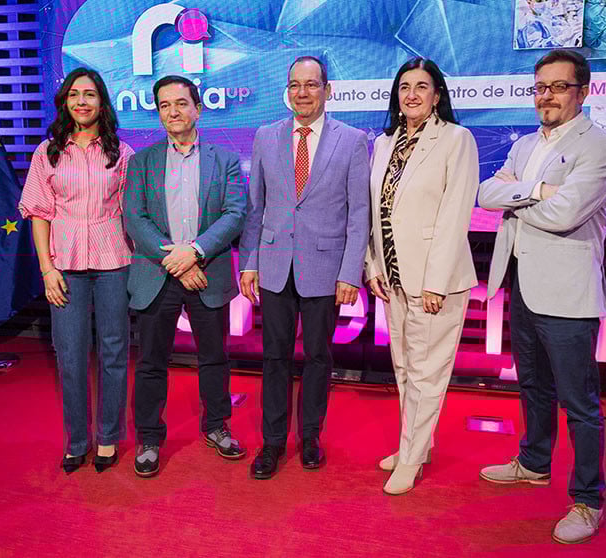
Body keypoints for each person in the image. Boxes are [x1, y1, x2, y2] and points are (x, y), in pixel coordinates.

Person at [477, 50, 606, 544]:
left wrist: (518, 195)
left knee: (580, 403)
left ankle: (588, 500)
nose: (547, 96)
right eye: (541, 87)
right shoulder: (523, 145)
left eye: (559, 87)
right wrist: (541, 190)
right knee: (533, 384)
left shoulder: (600, 146)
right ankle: (534, 462)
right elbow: (486, 194)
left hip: (566, 291)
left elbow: (565, 216)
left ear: (583, 91)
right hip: (522, 282)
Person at [238, 56, 370, 480]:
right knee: (274, 357)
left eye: (311, 84)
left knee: (317, 356)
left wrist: (349, 273)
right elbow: (255, 207)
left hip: (325, 269)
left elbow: (359, 213)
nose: (302, 93)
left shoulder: (352, 141)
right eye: (295, 84)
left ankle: (310, 437)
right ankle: (273, 442)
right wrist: (249, 262)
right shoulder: (265, 136)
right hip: (275, 266)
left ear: (327, 90)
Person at [364, 58, 479, 495]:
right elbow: (376, 211)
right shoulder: (384, 142)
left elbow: (455, 214)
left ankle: (411, 459)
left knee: (428, 372)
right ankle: (415, 445)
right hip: (393, 276)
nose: (412, 94)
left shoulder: (455, 140)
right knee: (405, 368)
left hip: (435, 282)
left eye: (422, 86)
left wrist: (436, 282)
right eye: (405, 86)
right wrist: (373, 265)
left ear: (437, 94)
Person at [123, 76, 247, 477]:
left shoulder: (225, 159)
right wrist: (175, 259)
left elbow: (235, 214)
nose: (173, 111)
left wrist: (194, 253)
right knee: (151, 362)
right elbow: (135, 218)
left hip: (206, 273)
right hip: (157, 274)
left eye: (180, 103)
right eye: (164, 105)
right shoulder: (141, 161)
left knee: (215, 357)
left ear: (198, 108)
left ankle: (217, 427)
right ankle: (149, 438)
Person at [19, 67, 134, 474]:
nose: (81, 101)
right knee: (69, 355)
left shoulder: (122, 153)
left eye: (89, 94)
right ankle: (77, 441)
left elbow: (132, 212)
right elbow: (38, 213)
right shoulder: (47, 152)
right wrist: (47, 270)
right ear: (65, 102)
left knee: (114, 352)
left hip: (113, 263)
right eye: (73, 95)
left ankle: (108, 437)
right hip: (64, 266)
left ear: (102, 102)